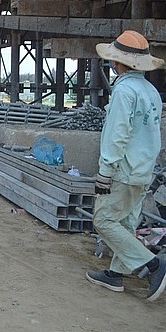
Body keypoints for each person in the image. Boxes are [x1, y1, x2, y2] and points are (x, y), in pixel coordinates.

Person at [86, 30, 166, 302]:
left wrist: (105, 172)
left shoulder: (123, 91)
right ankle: (116, 274)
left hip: (124, 169)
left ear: (118, 63)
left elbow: (117, 135)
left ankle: (152, 264)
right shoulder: (150, 91)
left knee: (104, 220)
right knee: (126, 222)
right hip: (144, 169)